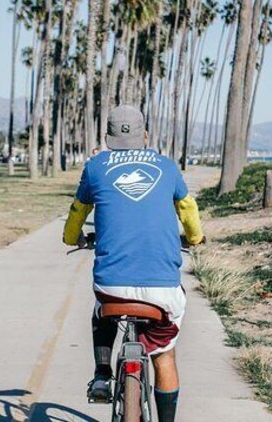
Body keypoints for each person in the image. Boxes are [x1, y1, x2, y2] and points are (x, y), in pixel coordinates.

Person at [63, 105, 204, 422]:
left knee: (102, 311)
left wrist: (72, 238)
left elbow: (77, 211)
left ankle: (101, 373)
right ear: (145, 136)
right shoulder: (167, 167)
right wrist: (194, 238)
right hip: (162, 292)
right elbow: (188, 209)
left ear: (108, 137)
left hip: (112, 287)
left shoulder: (96, 166)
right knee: (163, 354)